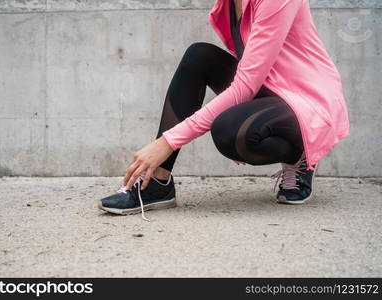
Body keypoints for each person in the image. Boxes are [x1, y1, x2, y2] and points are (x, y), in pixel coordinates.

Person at [98, 0, 350, 220]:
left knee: (230, 132)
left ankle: (300, 155)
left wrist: (167, 142)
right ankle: (157, 183)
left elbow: (245, 86)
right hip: (272, 89)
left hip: (309, 100)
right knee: (199, 56)